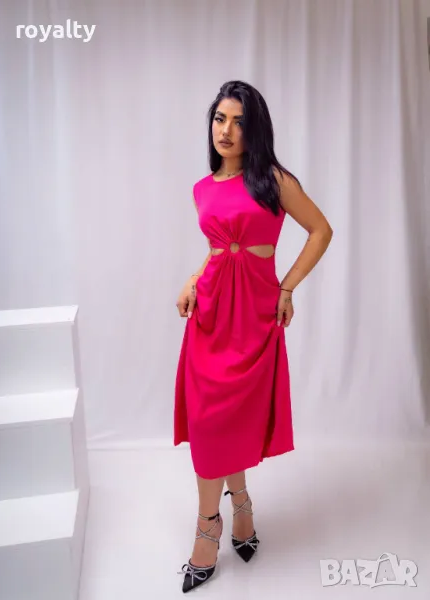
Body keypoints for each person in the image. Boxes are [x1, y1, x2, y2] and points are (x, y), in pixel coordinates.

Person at [174, 80, 333, 593]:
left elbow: (321, 230)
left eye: (239, 121)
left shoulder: (273, 180)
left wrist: (288, 287)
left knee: (235, 420)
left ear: (255, 129)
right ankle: (214, 523)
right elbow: (218, 249)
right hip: (211, 315)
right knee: (208, 422)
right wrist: (193, 279)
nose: (226, 130)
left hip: (255, 318)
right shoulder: (202, 188)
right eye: (220, 118)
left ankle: (237, 507)